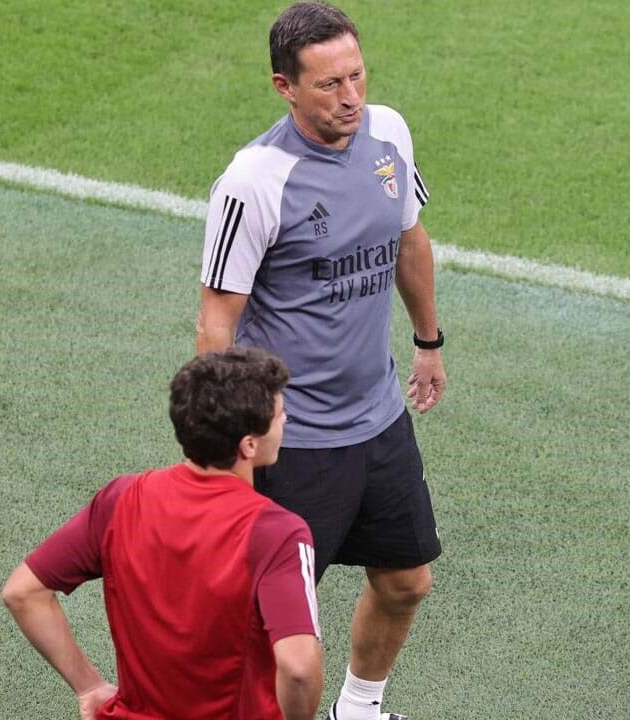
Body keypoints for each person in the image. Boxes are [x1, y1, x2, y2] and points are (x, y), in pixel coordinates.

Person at [194, 3, 444, 719]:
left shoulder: (389, 133)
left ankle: (358, 708)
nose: (351, 97)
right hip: (293, 437)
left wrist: (428, 342)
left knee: (405, 580)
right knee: (271, 623)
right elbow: (217, 320)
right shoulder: (254, 180)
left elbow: (409, 241)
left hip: (379, 414)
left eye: (357, 76)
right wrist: (226, 446)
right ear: (286, 87)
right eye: (330, 84)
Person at [1, 348, 323, 720]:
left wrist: (89, 686)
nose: (286, 419)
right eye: (280, 414)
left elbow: (23, 592)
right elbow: (298, 669)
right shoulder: (278, 533)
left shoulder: (121, 499)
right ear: (248, 445)